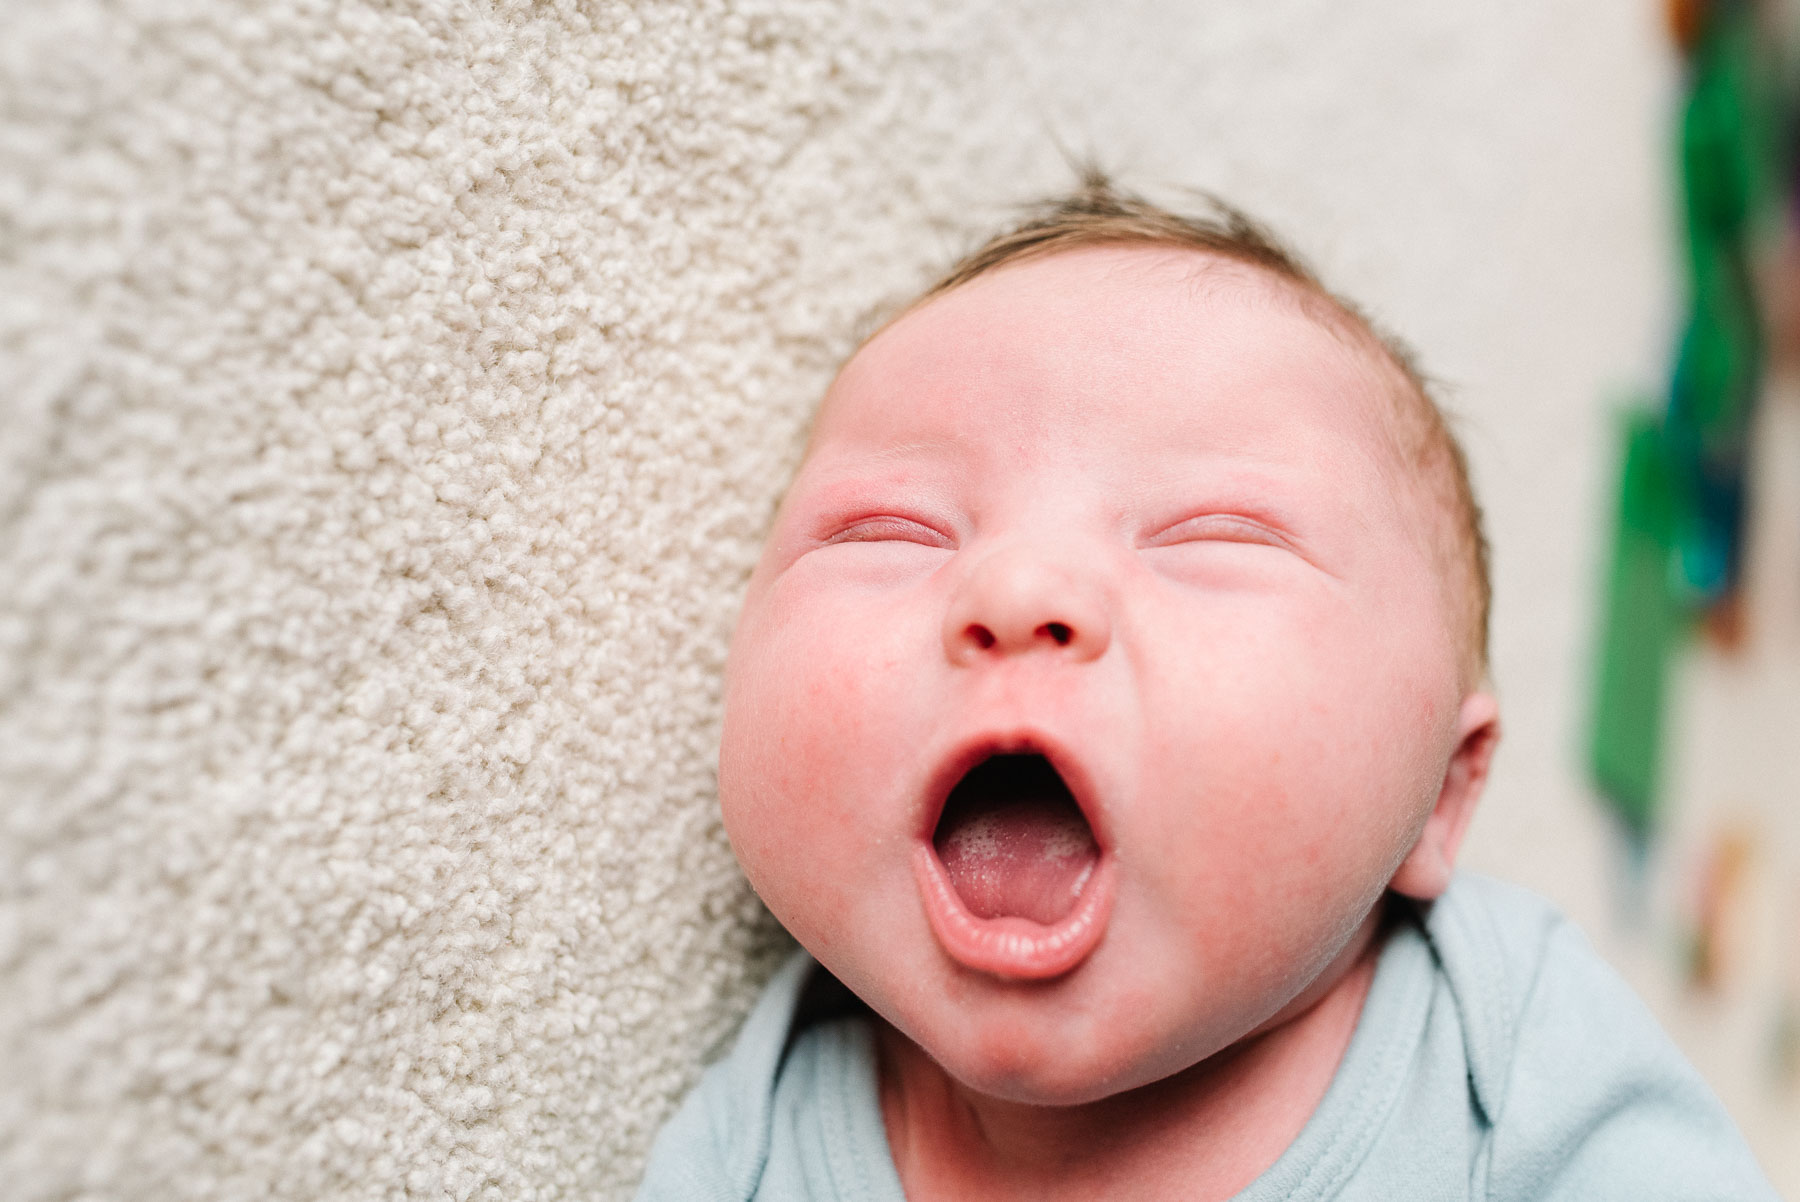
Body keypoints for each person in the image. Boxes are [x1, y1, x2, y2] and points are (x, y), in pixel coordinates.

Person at [635, 174, 1778, 1200]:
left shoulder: (1515, 1059)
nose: (1018, 584)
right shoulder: (753, 1134)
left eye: (1209, 535)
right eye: (894, 529)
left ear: (1441, 790)